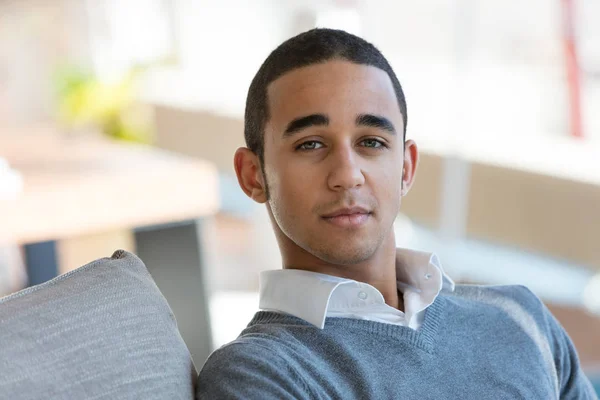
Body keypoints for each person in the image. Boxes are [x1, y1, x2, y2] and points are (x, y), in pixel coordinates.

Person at [197, 28, 597, 399]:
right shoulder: (259, 374)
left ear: (405, 168)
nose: (348, 175)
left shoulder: (519, 317)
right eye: (310, 144)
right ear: (253, 175)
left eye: (371, 141)